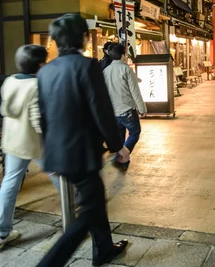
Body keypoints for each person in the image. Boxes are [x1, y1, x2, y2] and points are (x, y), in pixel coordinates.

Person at [37, 14, 129, 267]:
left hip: (59, 152)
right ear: (84, 38)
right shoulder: (86, 66)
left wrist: (49, 153)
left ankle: (104, 249)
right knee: (88, 212)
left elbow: (44, 117)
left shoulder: (46, 71)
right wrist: (117, 146)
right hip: (81, 153)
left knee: (95, 203)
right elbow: (102, 110)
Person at [0, 45, 60, 252]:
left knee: (9, 184)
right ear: (40, 64)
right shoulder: (37, 85)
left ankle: (0, 233)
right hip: (34, 142)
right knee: (58, 173)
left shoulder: (10, 80)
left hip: (13, 141)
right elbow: (38, 120)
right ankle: (78, 209)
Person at [103, 43, 147, 172]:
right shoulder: (126, 70)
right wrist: (142, 108)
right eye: (126, 53)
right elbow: (135, 92)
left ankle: (121, 159)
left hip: (113, 111)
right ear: (123, 55)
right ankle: (123, 155)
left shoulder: (105, 71)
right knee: (135, 133)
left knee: (120, 136)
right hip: (127, 110)